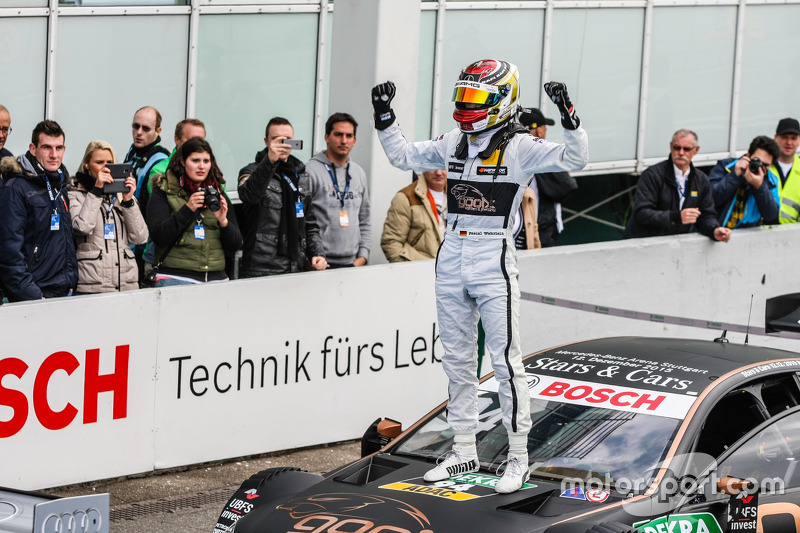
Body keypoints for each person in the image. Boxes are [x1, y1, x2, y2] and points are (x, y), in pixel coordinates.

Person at [371, 59, 589, 493]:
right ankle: (464, 450)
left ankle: (519, 457)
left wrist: (568, 117)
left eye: (477, 98)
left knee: (506, 361)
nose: (467, 106)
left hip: (494, 254)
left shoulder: (521, 145)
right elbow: (402, 156)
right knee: (456, 358)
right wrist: (384, 117)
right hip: (450, 250)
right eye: (464, 97)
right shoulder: (453, 140)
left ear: (502, 100)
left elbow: (577, 158)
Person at [237, 117, 327, 276]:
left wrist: (317, 254)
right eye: (276, 140)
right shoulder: (251, 171)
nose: (283, 144)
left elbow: (309, 224)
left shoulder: (302, 175)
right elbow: (249, 196)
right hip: (260, 267)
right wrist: (269, 162)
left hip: (295, 266)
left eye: (287, 140)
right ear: (266, 142)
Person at [146, 137, 242, 286]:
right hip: (176, 277)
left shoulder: (217, 192)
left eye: (206, 161)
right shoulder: (164, 190)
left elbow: (235, 245)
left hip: (216, 279)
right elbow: (159, 236)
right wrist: (188, 209)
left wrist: (224, 222)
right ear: (183, 162)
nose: (201, 167)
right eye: (195, 160)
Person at [0, 120, 77, 301]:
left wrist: (72, 283)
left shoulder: (61, 187)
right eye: (46, 147)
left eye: (59, 148)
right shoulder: (16, 188)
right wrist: (33, 296)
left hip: (65, 293)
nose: (53, 154)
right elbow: (9, 254)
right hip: (36, 297)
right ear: (33, 149)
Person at [68, 141, 149, 293]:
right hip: (93, 284)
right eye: (99, 162)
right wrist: (97, 190)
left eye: (110, 163)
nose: (106, 167)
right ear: (87, 164)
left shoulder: (121, 196)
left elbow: (140, 237)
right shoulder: (74, 194)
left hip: (126, 284)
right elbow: (82, 227)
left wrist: (128, 201)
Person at [624, 129, 731, 242]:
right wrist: (676, 217)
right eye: (677, 147)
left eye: (686, 149)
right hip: (644, 244)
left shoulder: (701, 179)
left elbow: (706, 215)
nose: (681, 153)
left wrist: (714, 230)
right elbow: (641, 213)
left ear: (696, 150)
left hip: (674, 246)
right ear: (671, 147)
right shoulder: (652, 175)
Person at [306, 113, 371, 268]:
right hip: (320, 263)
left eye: (349, 136)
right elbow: (302, 220)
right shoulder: (310, 171)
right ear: (327, 137)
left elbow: (365, 219)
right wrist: (311, 257)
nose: (344, 140)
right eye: (338, 135)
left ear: (354, 141)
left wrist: (363, 257)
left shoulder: (358, 172)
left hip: (353, 263)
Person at [518, 107, 577, 247]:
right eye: (545, 128)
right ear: (539, 130)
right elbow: (567, 185)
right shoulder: (541, 155)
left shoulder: (515, 151)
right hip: (539, 228)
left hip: (518, 227)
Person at [709, 136, 780, 229]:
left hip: (745, 238)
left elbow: (771, 215)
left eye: (765, 165)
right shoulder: (726, 167)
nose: (759, 167)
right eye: (757, 161)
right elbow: (710, 199)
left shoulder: (771, 182)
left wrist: (759, 187)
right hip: (715, 232)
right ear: (748, 156)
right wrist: (734, 176)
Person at [381, 169, 447, 262]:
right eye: (433, 167)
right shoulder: (405, 197)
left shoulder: (459, 195)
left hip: (450, 271)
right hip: (420, 271)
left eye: (443, 167)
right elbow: (391, 242)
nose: (439, 173)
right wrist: (410, 271)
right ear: (423, 168)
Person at [772, 117, 800, 223]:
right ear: (775, 138)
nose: (789, 142)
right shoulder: (765, 166)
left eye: (793, 138)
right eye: (784, 137)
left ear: (799, 140)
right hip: (760, 232)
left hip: (793, 236)